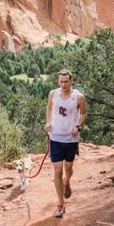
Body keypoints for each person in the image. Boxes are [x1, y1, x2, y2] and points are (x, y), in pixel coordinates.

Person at [44, 69, 87, 218]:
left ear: (71, 81)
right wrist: (48, 122)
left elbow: (84, 113)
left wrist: (78, 127)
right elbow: (49, 107)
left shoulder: (78, 97)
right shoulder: (53, 94)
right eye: (61, 82)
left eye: (66, 82)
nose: (63, 85)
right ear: (58, 82)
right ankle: (60, 205)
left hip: (70, 139)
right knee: (57, 171)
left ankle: (67, 182)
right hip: (55, 137)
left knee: (68, 169)